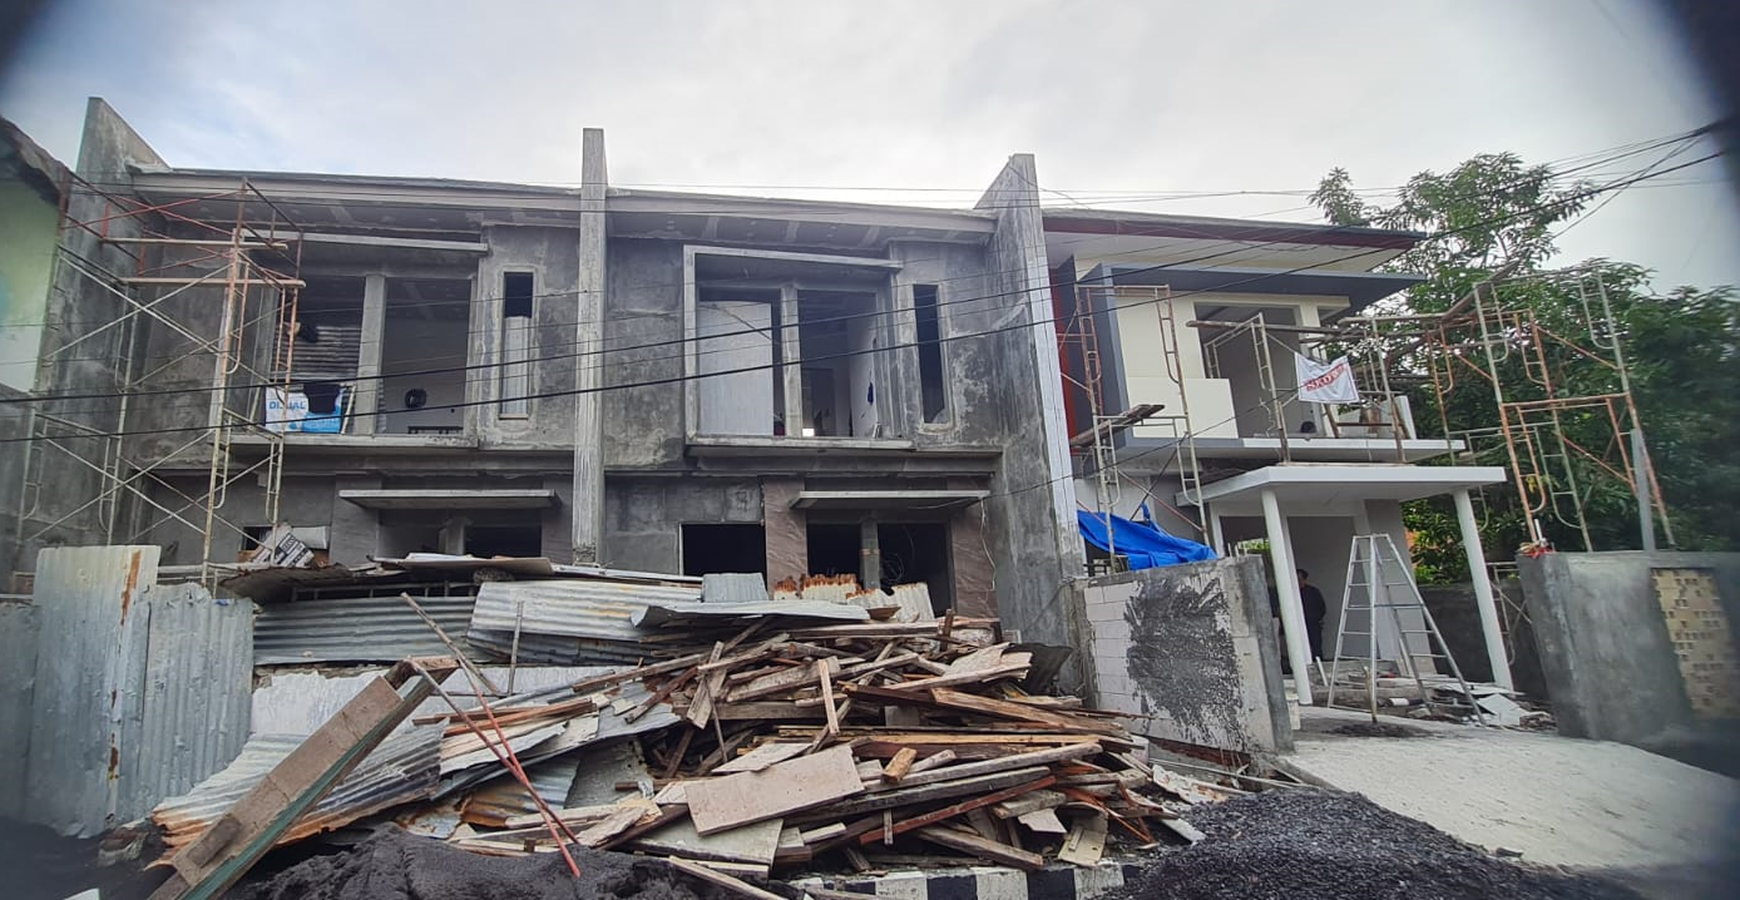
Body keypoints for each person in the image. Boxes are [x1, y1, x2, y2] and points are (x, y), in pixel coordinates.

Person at [1297, 568, 1327, 661]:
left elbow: (1322, 608)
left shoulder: (1313, 592)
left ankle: (1319, 664)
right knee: (1299, 648)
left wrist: (1315, 619)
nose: (1298, 582)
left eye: (1300, 579)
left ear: (1305, 579)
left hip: (1313, 624)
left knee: (1316, 647)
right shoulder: (1292, 592)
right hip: (1298, 625)